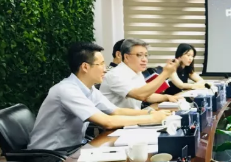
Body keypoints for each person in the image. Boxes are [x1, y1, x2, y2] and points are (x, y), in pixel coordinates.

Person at [28, 42, 171, 151]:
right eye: (101, 64)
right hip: (50, 155)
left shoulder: (88, 88)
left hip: (72, 149)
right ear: (85, 67)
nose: (105, 69)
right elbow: (107, 121)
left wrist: (150, 113)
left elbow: (116, 111)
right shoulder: (67, 90)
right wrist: (151, 119)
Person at [100, 38, 180, 109]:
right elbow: (140, 95)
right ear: (126, 57)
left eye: (146, 55)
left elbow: (147, 96)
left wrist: (167, 97)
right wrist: (165, 73)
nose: (144, 59)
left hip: (133, 116)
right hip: (117, 119)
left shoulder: (137, 72)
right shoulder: (115, 74)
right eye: (139, 55)